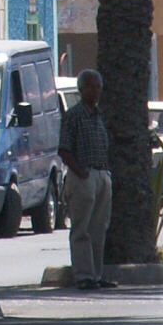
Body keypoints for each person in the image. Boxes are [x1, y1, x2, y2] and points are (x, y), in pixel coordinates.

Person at [58, 68, 115, 291]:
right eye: (91, 86)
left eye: (98, 86)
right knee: (81, 229)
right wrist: (80, 171)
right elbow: (64, 148)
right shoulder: (73, 115)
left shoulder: (99, 116)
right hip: (83, 176)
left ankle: (96, 274)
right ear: (81, 89)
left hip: (102, 175)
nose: (95, 90)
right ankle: (83, 276)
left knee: (99, 229)